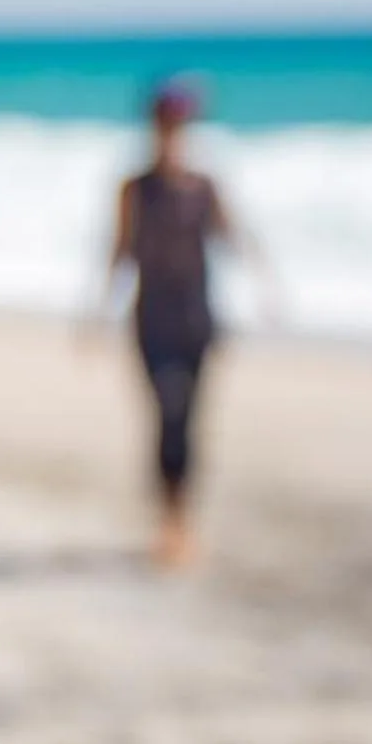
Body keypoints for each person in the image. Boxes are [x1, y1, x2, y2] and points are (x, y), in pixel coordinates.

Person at [97, 78, 255, 570]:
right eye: (167, 123)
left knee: (192, 422)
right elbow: (119, 250)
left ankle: (182, 521)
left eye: (181, 124)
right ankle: (168, 523)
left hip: (198, 320)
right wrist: (98, 311)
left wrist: (267, 288)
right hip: (152, 320)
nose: (173, 132)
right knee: (165, 417)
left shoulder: (205, 186)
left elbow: (234, 238)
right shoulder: (135, 187)